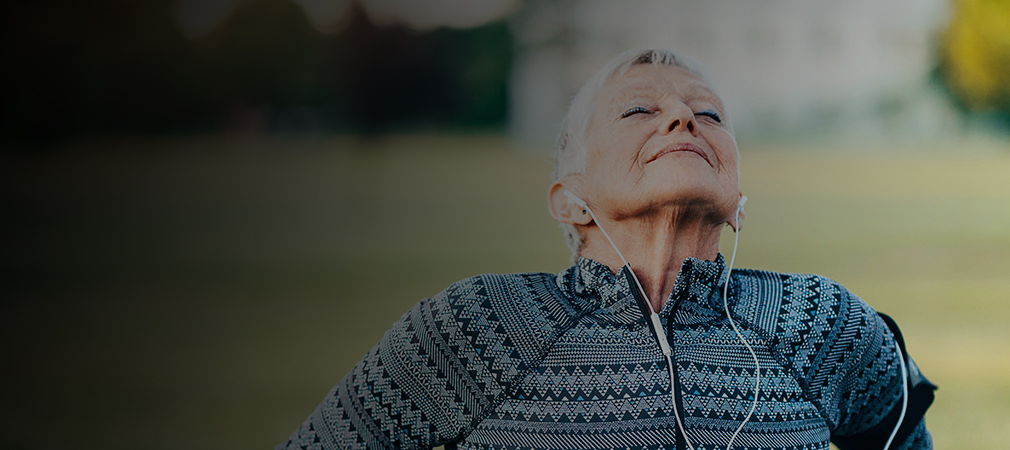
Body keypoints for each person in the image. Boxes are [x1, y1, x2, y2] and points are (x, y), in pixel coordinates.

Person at [277, 49, 935, 450]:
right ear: (570, 199)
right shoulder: (479, 324)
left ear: (739, 200)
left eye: (709, 115)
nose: (682, 118)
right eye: (637, 111)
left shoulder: (819, 320)